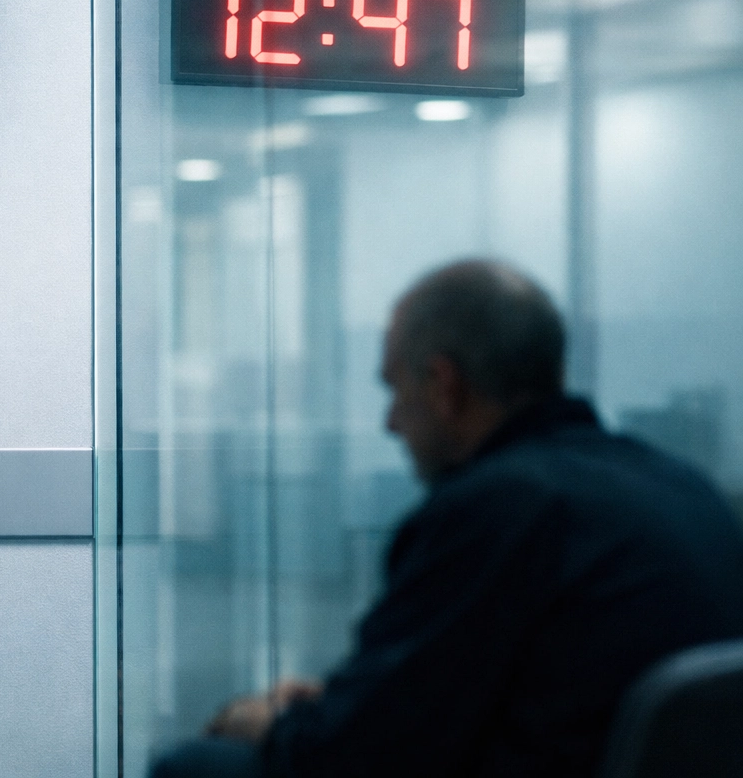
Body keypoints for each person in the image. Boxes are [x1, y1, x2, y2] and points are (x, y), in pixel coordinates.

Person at [153, 259, 743, 778]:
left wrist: (264, 721)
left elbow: (358, 758)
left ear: (443, 384)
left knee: (200, 767)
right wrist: (350, 701)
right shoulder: (680, 485)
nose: (390, 423)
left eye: (395, 389)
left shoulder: (498, 509)